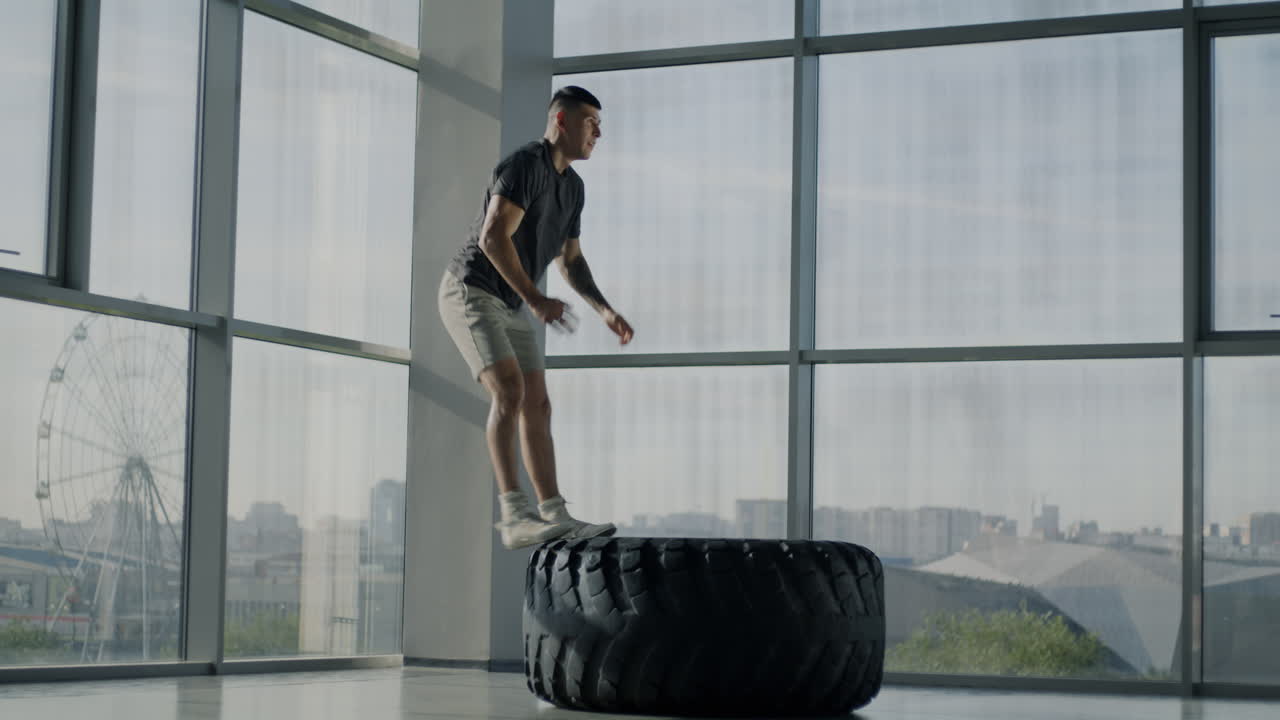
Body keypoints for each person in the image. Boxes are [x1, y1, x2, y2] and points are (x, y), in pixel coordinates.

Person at [438, 86, 634, 550]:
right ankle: (513, 516)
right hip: (471, 290)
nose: (599, 133)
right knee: (509, 390)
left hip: (509, 300)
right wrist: (535, 299)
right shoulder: (526, 165)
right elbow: (492, 238)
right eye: (591, 123)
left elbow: (571, 262)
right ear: (562, 122)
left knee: (538, 404)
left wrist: (604, 309)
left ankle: (553, 512)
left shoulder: (573, 188)